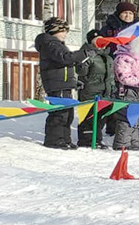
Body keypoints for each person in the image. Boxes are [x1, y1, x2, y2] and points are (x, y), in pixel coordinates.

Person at [34, 16, 90, 149]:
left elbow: (65, 66)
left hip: (63, 84)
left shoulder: (57, 44)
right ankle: (54, 139)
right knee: (60, 113)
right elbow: (64, 58)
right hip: (56, 84)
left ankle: (65, 138)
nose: (65, 34)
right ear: (53, 30)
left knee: (68, 113)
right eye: (63, 31)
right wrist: (83, 53)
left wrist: (73, 82)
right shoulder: (49, 43)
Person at [112, 31, 139, 151]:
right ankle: (122, 143)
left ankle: (134, 142)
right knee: (126, 117)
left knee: (137, 117)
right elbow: (124, 77)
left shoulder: (137, 59)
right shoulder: (123, 58)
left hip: (138, 90)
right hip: (126, 91)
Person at [76, 28, 115, 149]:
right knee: (89, 117)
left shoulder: (108, 57)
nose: (100, 42)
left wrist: (112, 88)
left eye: (102, 39)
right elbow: (80, 71)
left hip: (105, 92)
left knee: (100, 118)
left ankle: (97, 139)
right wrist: (85, 58)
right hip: (90, 92)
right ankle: (86, 140)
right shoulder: (86, 54)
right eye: (96, 40)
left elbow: (110, 76)